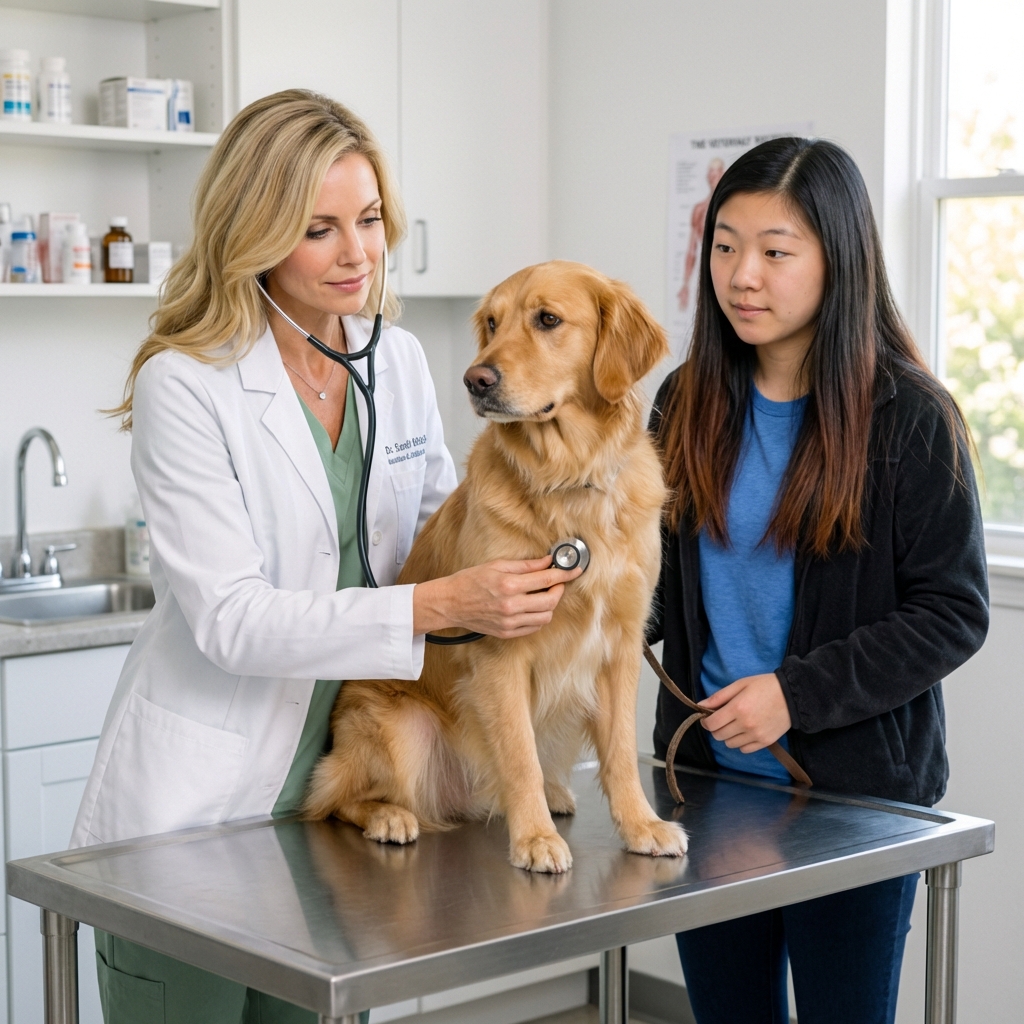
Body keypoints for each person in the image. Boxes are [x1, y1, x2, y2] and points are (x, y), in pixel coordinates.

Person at [70, 89, 578, 1024]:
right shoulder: (188, 383)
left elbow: (440, 534)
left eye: (372, 219)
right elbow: (232, 618)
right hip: (204, 812)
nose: (359, 253)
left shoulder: (398, 361)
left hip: (351, 793)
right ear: (256, 230)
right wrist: (434, 608)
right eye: (320, 228)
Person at [648, 137, 989, 1024]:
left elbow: (952, 613)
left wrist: (794, 696)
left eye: (775, 250)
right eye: (724, 245)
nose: (742, 275)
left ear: (838, 260)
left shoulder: (913, 418)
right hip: (709, 792)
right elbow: (653, 586)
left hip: (855, 802)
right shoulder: (683, 402)